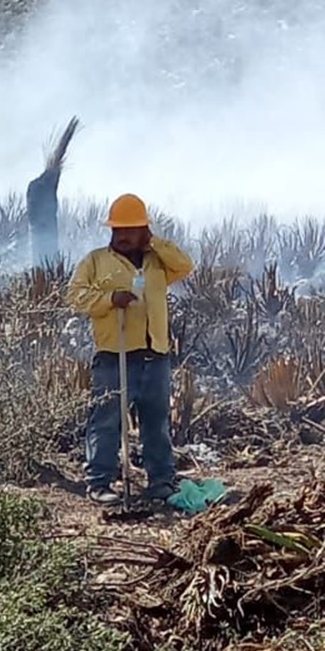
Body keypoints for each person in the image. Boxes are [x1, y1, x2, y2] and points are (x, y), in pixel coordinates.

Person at [67, 193, 194, 505]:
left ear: (144, 231)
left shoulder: (157, 263)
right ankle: (99, 482)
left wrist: (156, 244)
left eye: (130, 230)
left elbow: (185, 265)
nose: (122, 236)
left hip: (156, 355)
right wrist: (110, 300)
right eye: (117, 230)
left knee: (156, 421)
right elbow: (75, 296)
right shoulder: (96, 261)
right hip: (115, 355)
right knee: (107, 420)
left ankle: (161, 482)